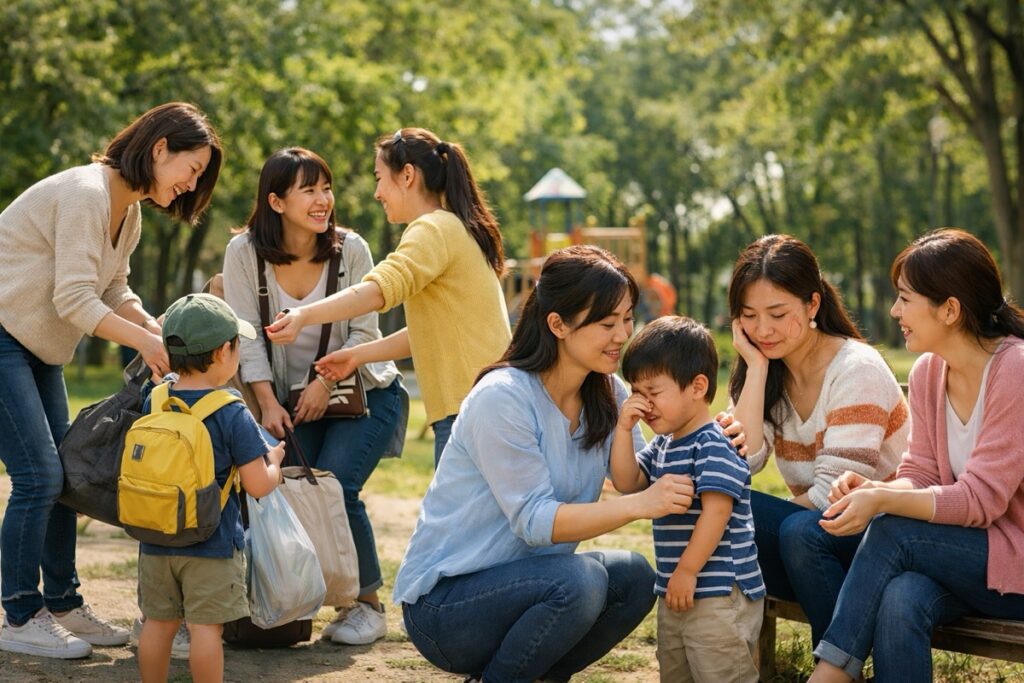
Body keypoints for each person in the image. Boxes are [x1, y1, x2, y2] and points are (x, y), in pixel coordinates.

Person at [392, 245, 744, 683]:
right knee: (579, 582)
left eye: (627, 318)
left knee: (634, 578)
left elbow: (633, 478)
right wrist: (641, 505)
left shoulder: (611, 393)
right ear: (557, 324)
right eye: (606, 322)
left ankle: (535, 675)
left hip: (535, 584)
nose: (623, 334)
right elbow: (537, 522)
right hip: (446, 608)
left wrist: (715, 432)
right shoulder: (503, 397)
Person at [0, 102, 222, 659]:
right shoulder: (86, 194)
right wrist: (143, 343)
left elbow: (112, 286)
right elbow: (72, 297)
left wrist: (157, 328)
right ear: (159, 149)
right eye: (190, 169)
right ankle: (19, 614)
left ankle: (65, 604)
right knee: (37, 476)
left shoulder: (130, 211)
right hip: (3, 334)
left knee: (65, 473)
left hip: (36, 346)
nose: (190, 184)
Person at [809, 229, 1024, 683]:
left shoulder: (1016, 369)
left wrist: (883, 503)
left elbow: (981, 500)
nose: (894, 311)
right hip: (971, 559)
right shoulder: (929, 372)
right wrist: (877, 489)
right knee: (901, 598)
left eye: (905, 299)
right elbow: (922, 473)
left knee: (892, 531)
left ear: (949, 309)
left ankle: (829, 676)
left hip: (1016, 561)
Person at [222, 147, 406, 645]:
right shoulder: (243, 254)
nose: (324, 200)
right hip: (284, 400)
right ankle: (285, 600)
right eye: (310, 190)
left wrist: (326, 382)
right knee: (281, 489)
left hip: (363, 393)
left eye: (326, 188)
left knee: (335, 487)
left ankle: (366, 605)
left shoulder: (352, 250)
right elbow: (248, 337)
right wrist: (267, 402)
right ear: (277, 202)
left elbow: (365, 334)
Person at [265, 128, 511, 466]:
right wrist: (357, 355)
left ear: (407, 175)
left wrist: (303, 315)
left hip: (470, 412)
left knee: (449, 520)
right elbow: (427, 333)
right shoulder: (453, 227)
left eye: (380, 178)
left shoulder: (432, 229)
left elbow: (377, 290)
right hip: (484, 406)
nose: (378, 192)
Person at [727, 234, 909, 647]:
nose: (762, 329)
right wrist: (754, 369)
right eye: (749, 315)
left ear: (813, 304)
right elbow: (741, 463)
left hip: (880, 538)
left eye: (777, 313)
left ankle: (834, 665)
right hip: (815, 540)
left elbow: (833, 496)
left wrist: (753, 520)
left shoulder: (855, 369)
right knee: (720, 502)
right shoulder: (767, 370)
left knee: (763, 520)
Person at [135, 293, 285, 683]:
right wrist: (276, 467)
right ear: (223, 352)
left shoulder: (155, 399)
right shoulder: (230, 410)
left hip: (155, 537)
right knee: (206, 630)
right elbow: (257, 484)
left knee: (158, 623)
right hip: (211, 545)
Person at [612, 316, 765, 683]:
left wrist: (688, 571)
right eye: (637, 392)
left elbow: (717, 511)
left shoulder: (713, 442)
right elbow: (627, 482)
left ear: (697, 386)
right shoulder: (664, 444)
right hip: (676, 589)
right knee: (676, 672)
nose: (644, 404)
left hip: (717, 592)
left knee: (720, 673)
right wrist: (622, 429)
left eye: (653, 392)